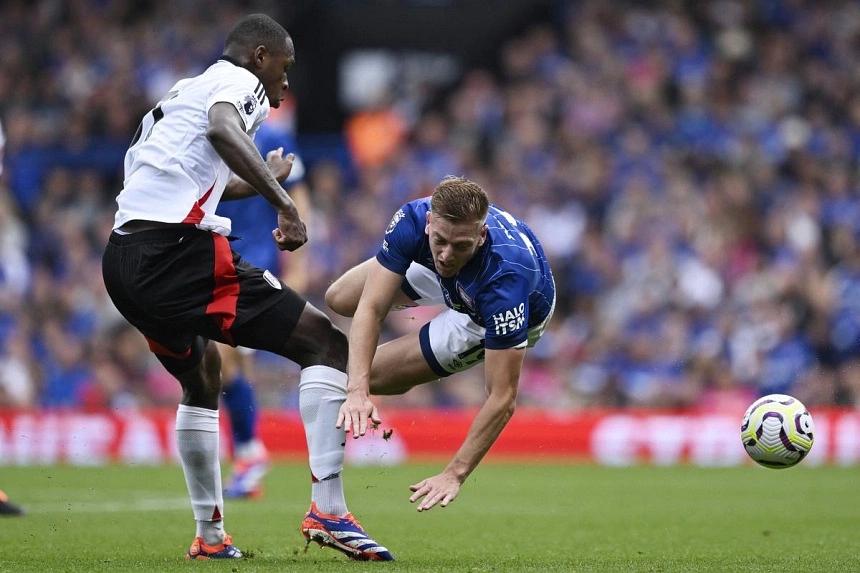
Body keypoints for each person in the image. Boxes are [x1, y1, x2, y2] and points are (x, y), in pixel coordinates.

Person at [101, 14, 392, 561]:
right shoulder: (238, 83)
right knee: (325, 343)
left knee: (204, 377)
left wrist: (264, 182)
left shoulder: (182, 91)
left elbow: (173, 177)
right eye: (285, 70)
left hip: (123, 259)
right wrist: (285, 205)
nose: (284, 89)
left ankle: (210, 537)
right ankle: (328, 511)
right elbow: (221, 128)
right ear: (261, 56)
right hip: (176, 254)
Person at [327, 176, 555, 512]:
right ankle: (410, 364)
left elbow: (503, 399)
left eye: (460, 244)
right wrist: (356, 393)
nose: (446, 254)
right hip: (456, 279)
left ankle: (412, 370)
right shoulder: (412, 219)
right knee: (340, 297)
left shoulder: (505, 285)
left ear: (481, 235)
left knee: (370, 373)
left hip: (488, 311)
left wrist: (455, 473)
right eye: (440, 240)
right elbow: (371, 307)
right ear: (429, 222)